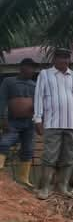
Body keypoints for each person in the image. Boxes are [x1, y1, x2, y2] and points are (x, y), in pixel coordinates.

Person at [33, 47, 73, 200]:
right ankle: (45, 187)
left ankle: (63, 187)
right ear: (54, 59)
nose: (64, 60)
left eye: (66, 58)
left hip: (71, 123)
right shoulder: (45, 74)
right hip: (52, 123)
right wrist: (38, 118)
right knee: (50, 156)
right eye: (61, 57)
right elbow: (39, 97)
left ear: (69, 60)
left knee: (69, 157)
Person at [0, 58, 37, 186]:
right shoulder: (9, 81)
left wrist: (38, 119)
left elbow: (38, 104)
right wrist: (3, 119)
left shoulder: (34, 85)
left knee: (28, 149)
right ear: (22, 67)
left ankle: (23, 178)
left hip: (29, 122)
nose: (31, 70)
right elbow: (2, 100)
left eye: (33, 68)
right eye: (29, 67)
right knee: (5, 142)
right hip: (12, 121)